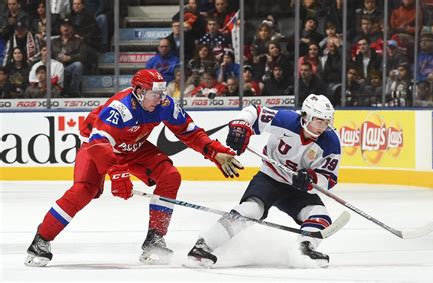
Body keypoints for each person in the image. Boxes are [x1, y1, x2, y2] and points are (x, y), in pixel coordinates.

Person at [25, 69, 243, 267]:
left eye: (161, 92)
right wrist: (118, 174)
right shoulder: (120, 108)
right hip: (98, 149)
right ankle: (41, 240)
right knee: (83, 191)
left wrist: (214, 151)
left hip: (133, 148)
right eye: (154, 93)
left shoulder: (164, 104)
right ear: (139, 91)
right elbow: (99, 144)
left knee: (170, 176)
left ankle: (154, 238)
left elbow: (190, 132)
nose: (159, 98)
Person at [187, 94, 342, 267]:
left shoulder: (331, 142)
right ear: (306, 116)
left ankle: (304, 249)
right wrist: (241, 126)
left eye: (327, 121)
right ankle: (203, 246)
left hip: (298, 189)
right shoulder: (287, 120)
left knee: (320, 215)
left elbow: (329, 179)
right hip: (270, 178)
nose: (324, 126)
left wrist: (312, 179)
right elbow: (254, 111)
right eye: (319, 121)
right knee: (251, 210)